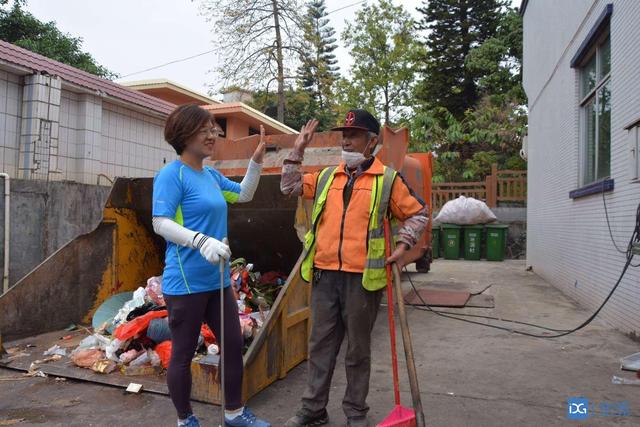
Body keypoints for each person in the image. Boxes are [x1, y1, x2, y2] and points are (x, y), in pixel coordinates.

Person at [281, 109, 429, 427]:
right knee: (319, 346)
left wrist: (404, 247)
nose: (346, 139)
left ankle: (355, 412)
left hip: (363, 280)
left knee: (357, 351)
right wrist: (298, 148)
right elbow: (289, 187)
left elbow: (418, 214)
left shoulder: (387, 180)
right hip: (324, 276)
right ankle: (313, 409)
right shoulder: (325, 178)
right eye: (344, 134)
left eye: (354, 134)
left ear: (371, 141)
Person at [152, 104, 271, 427]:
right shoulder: (171, 175)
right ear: (183, 134)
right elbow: (160, 222)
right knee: (182, 354)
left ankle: (233, 413)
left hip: (217, 280)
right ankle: (186, 420)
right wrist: (200, 240)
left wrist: (256, 161)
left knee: (233, 346)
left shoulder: (211, 176)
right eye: (204, 129)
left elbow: (244, 194)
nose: (212, 135)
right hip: (186, 283)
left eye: (213, 129)